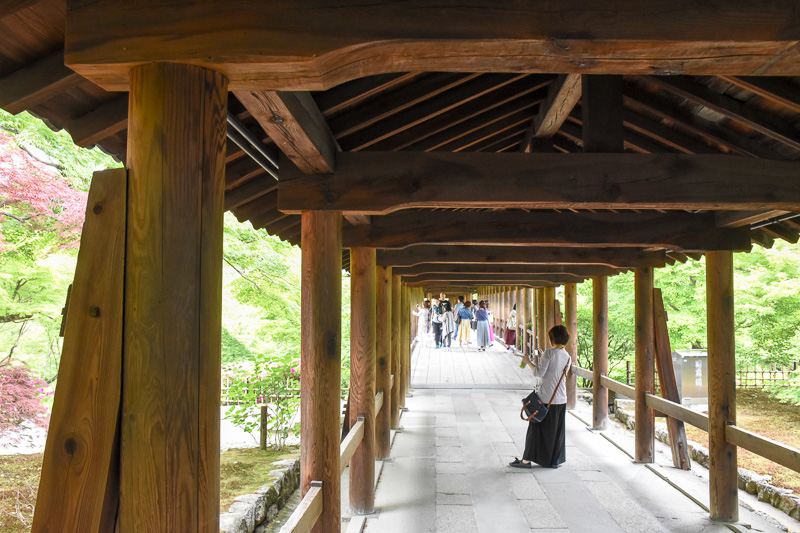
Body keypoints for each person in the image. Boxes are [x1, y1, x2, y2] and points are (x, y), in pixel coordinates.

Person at [510, 325, 572, 469]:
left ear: (552, 339)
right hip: (561, 399)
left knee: (536, 430)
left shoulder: (549, 354)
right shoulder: (567, 356)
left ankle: (526, 460)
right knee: (556, 431)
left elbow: (538, 373)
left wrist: (528, 362)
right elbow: (553, 370)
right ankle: (554, 460)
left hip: (545, 398)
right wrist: (541, 356)